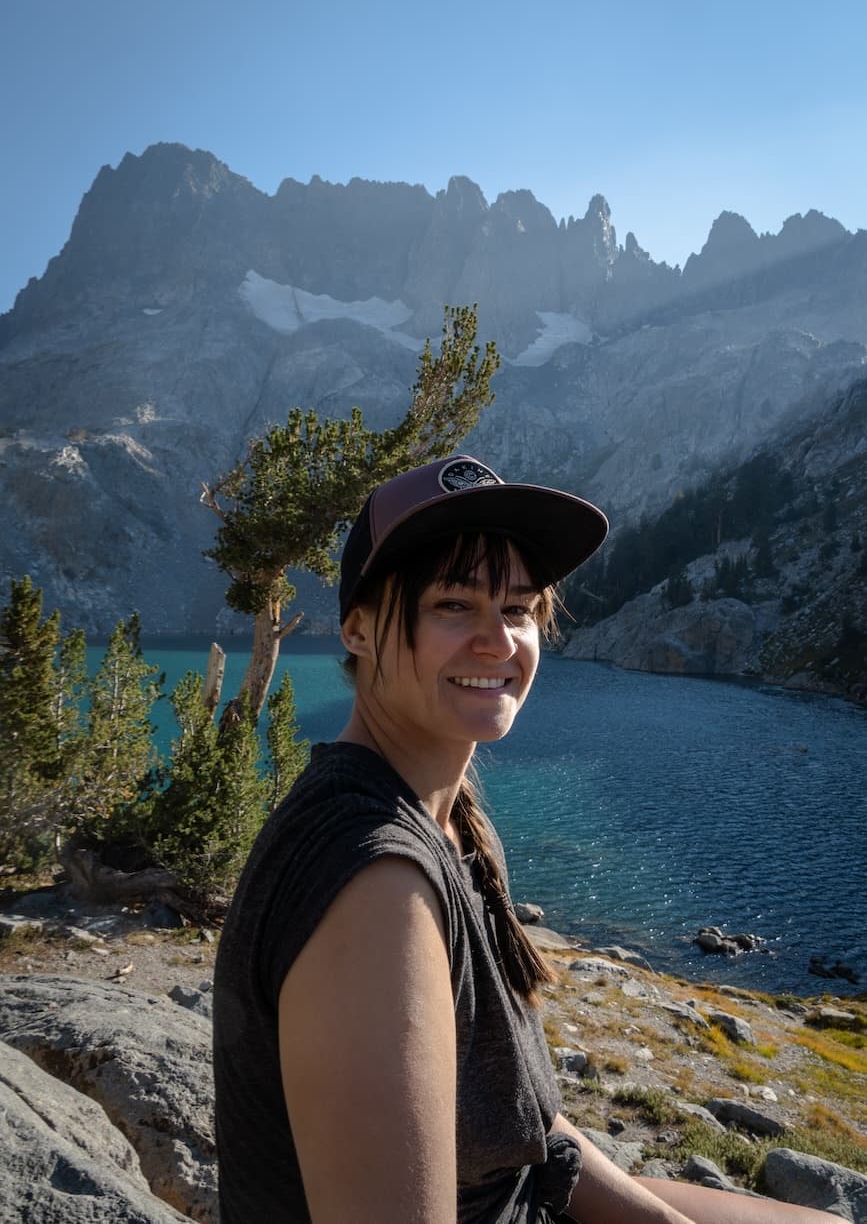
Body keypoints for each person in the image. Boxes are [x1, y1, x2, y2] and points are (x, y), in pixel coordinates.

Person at [213, 454, 837, 1224]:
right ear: (359, 629)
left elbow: (527, 1127)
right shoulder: (375, 888)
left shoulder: (452, 822)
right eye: (451, 604)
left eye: (516, 609)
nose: (497, 641)